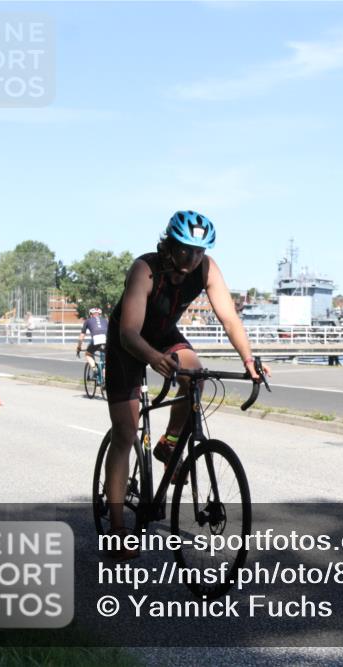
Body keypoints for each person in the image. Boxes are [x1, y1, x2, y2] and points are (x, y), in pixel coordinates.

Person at [103, 210, 268, 556]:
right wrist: (152, 358)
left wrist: (249, 361)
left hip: (163, 334)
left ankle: (170, 442)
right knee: (125, 431)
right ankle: (117, 528)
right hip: (127, 343)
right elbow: (130, 333)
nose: (193, 258)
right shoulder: (144, 270)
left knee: (196, 375)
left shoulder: (208, 268)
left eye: (199, 251)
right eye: (186, 249)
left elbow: (229, 318)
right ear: (170, 244)